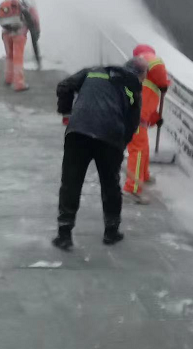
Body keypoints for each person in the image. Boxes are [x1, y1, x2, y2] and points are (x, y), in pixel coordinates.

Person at [52, 57, 147, 251]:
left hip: (78, 131)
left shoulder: (93, 71)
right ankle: (111, 232)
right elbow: (133, 122)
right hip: (110, 136)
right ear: (140, 74)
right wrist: (121, 144)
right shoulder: (133, 85)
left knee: (71, 182)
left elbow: (64, 86)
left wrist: (66, 113)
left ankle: (64, 234)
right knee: (110, 184)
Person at [123, 44, 171, 204]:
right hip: (134, 118)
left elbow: (147, 100)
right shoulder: (148, 59)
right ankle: (132, 188)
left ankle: (143, 176)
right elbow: (158, 66)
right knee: (137, 150)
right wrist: (164, 83)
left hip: (137, 117)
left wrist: (155, 118)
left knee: (143, 148)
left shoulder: (141, 73)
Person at [0, 0, 40, 92]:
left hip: (5, 32)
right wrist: (37, 30)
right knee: (18, 58)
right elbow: (35, 18)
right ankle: (19, 84)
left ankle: (8, 79)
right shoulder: (28, 1)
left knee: (9, 56)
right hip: (19, 33)